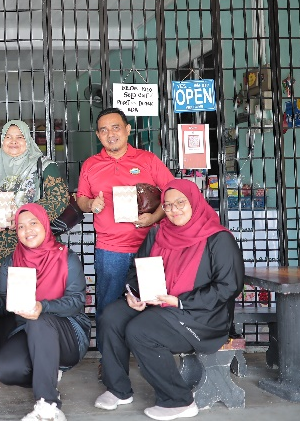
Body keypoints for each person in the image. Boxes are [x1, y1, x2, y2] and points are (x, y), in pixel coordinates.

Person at [94, 179, 243, 421]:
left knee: (140, 330)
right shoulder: (158, 232)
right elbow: (136, 269)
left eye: (180, 203)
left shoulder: (218, 238)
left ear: (194, 202)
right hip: (158, 305)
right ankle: (118, 390)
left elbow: (229, 286)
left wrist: (180, 301)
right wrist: (134, 294)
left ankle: (178, 400)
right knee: (112, 316)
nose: (174, 210)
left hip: (200, 315)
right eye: (168, 205)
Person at [75, 107, 171, 370]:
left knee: (152, 305)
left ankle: (152, 360)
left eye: (116, 127)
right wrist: (90, 204)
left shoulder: (148, 160)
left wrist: (154, 218)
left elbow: (172, 192)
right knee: (108, 308)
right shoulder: (91, 165)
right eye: (104, 130)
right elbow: (81, 198)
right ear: (98, 135)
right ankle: (110, 364)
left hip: (149, 247)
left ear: (128, 130)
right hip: (110, 249)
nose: (110, 134)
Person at [0, 203, 90, 421]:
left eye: (33, 223)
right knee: (5, 369)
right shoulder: (12, 261)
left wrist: (43, 306)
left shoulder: (66, 257)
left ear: (45, 225)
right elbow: (2, 307)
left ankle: (48, 405)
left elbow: (77, 301)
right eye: (21, 226)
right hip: (28, 330)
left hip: (69, 334)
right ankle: (48, 374)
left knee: (39, 321)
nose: (27, 230)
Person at [0, 120, 70, 280]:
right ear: (2, 141)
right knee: (6, 290)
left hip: (35, 242)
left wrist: (22, 217)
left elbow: (59, 198)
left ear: (28, 140)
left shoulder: (45, 166)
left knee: (40, 288)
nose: (13, 141)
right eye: (8, 137)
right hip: (3, 248)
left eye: (20, 137)